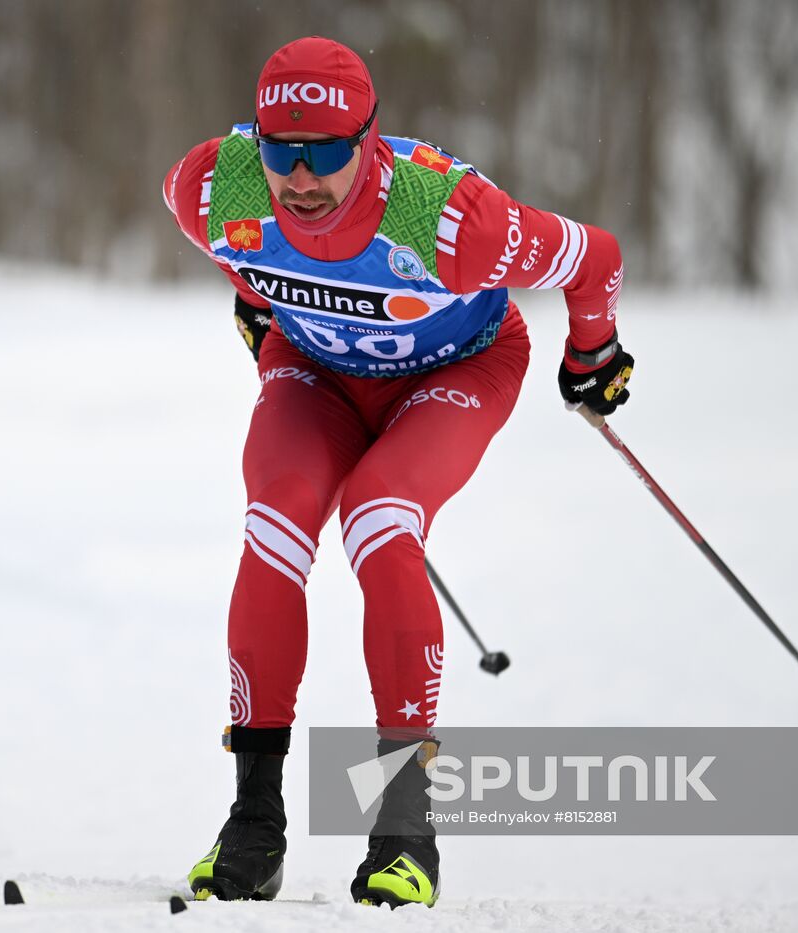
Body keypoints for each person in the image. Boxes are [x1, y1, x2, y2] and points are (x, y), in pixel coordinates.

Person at [162, 36, 632, 909]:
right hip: (319, 371)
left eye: (326, 154)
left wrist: (592, 354)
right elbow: (244, 257)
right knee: (274, 524)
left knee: (379, 517)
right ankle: (254, 822)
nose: (301, 178)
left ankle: (405, 829)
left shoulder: (452, 222)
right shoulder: (214, 188)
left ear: (368, 139)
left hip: (457, 371)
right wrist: (259, 301)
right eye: (281, 153)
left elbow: (593, 256)